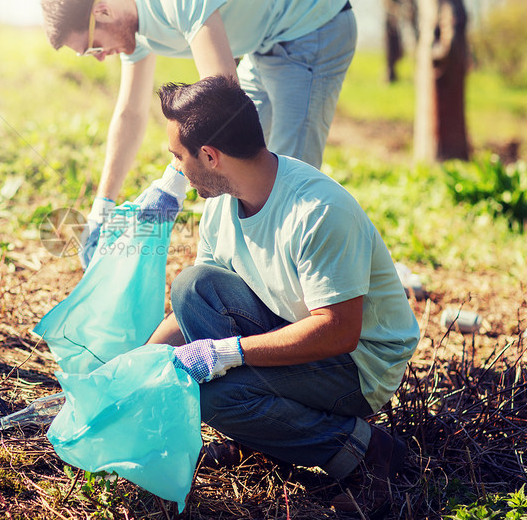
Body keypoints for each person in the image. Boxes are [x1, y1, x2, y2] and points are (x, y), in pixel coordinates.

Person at [147, 76, 419, 517]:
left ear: (211, 156)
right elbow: (196, 309)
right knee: (192, 286)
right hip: (295, 331)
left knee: (213, 397)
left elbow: (340, 331)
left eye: (179, 156)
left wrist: (228, 353)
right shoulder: (222, 201)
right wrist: (142, 363)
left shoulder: (316, 212)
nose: (176, 167)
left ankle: (366, 454)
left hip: (357, 366)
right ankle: (264, 436)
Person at [41, 0, 357, 267]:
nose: (98, 56)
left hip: (313, 23)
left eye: (92, 46)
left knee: (283, 182)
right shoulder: (128, 16)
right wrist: (103, 208)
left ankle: (349, 277)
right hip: (264, 44)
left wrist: (172, 184)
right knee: (233, 166)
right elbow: (131, 113)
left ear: (103, 12)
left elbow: (223, 97)